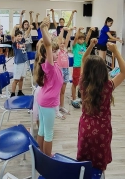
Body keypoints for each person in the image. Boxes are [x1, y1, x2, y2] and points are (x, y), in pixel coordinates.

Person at [77, 39, 125, 172]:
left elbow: (84, 59)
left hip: (86, 127)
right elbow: (124, 72)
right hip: (102, 130)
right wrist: (116, 51)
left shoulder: (83, 83)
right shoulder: (108, 86)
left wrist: (91, 46)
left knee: (83, 163)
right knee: (99, 164)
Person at [35, 16, 63, 157]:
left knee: (42, 130)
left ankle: (40, 155)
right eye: (54, 51)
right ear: (47, 54)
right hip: (47, 103)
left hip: (43, 100)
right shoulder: (50, 66)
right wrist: (42, 28)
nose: (57, 53)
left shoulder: (54, 65)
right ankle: (47, 158)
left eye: (57, 51)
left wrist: (47, 29)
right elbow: (47, 45)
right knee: (48, 133)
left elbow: (52, 43)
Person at [55, 26, 75, 120]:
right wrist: (62, 30)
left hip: (66, 70)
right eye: (61, 43)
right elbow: (60, 38)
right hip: (59, 70)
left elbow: (67, 40)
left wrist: (70, 31)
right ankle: (56, 110)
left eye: (64, 43)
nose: (62, 44)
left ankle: (61, 106)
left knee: (63, 91)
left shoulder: (65, 49)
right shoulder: (57, 51)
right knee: (58, 91)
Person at [71, 27, 92, 108]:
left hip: (85, 67)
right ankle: (74, 98)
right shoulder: (75, 46)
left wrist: (90, 30)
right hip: (77, 67)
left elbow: (87, 37)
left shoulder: (84, 44)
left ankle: (82, 98)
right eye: (80, 39)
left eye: (83, 39)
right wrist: (78, 30)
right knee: (75, 83)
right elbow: (76, 38)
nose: (82, 40)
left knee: (84, 83)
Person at [10, 28, 28, 97]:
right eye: (18, 36)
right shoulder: (15, 43)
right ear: (16, 37)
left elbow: (26, 34)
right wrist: (14, 27)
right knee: (16, 79)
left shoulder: (22, 41)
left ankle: (20, 91)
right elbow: (12, 36)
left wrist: (29, 28)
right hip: (18, 63)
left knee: (21, 78)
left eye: (21, 36)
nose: (20, 37)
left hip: (24, 62)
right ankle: (12, 93)